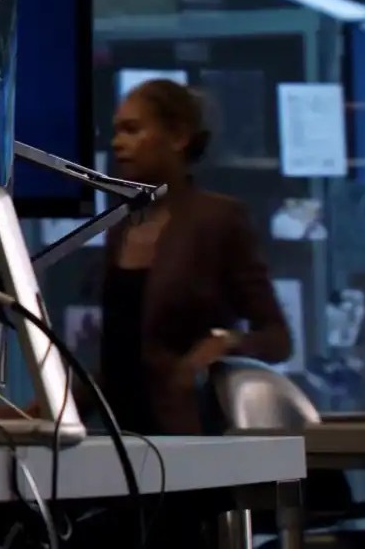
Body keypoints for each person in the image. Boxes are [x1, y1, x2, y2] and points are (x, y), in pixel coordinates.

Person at [97, 78, 292, 434]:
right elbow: (118, 353)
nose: (117, 143)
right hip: (121, 433)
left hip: (189, 429)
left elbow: (277, 338)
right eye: (116, 131)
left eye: (132, 129)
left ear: (178, 137)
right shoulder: (121, 227)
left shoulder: (218, 220)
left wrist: (223, 343)